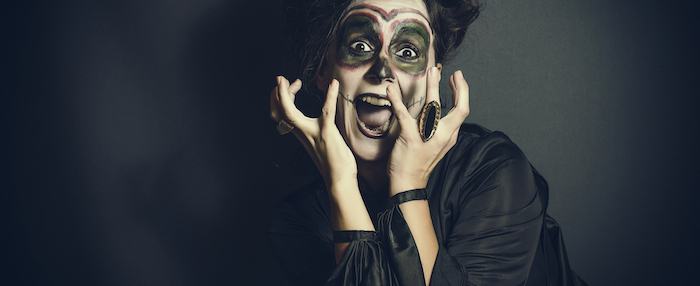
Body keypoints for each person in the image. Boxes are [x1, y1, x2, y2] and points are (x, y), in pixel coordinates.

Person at [268, 0, 587, 285]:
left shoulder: (494, 171)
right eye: (361, 46)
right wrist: (340, 181)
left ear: (432, 76)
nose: (382, 72)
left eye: (407, 52)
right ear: (324, 70)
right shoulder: (297, 222)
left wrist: (408, 183)